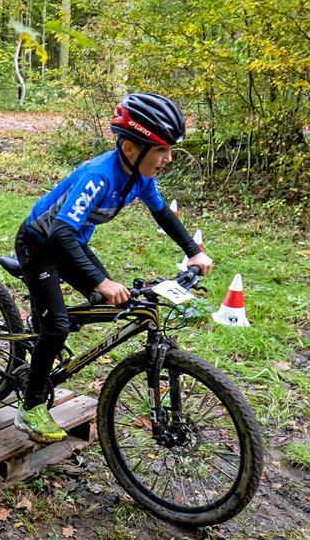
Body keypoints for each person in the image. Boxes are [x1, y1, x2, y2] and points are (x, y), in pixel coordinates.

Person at [12, 93, 213, 443]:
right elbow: (59, 231)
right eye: (161, 150)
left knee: (108, 301)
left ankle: (45, 326)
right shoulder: (99, 176)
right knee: (59, 325)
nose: (167, 159)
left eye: (169, 150)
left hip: (71, 244)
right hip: (40, 245)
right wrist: (102, 280)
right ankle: (30, 408)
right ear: (132, 149)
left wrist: (194, 252)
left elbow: (163, 214)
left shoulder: (140, 178)